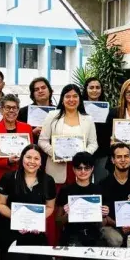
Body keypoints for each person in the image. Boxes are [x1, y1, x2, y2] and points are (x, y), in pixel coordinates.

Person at [38, 84, 98, 245]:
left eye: (75, 96)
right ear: (62, 99)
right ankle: (52, 244)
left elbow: (94, 144)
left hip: (79, 171)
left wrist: (82, 158)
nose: (71, 99)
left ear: (80, 98)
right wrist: (55, 153)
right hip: (56, 170)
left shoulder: (88, 119)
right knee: (55, 208)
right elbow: (42, 141)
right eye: (67, 96)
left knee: (76, 208)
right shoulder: (52, 116)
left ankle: (74, 242)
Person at [0, 144, 56, 260]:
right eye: (28, 157)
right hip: (13, 230)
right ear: (22, 158)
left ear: (41, 162)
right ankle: (3, 255)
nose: (32, 162)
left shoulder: (48, 180)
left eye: (36, 158)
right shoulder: (9, 177)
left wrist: (37, 220)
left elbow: (50, 207)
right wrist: (18, 219)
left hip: (35, 231)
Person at [55, 151, 113, 260]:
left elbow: (103, 223)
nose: (83, 171)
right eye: (79, 168)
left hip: (94, 234)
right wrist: (67, 215)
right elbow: (58, 221)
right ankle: (80, 259)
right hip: (73, 235)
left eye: (86, 168)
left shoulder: (99, 190)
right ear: (74, 169)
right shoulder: (66, 190)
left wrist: (104, 215)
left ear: (92, 169)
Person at [0, 94, 32, 190]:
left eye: (14, 108)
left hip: (21, 177)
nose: (11, 110)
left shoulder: (27, 128)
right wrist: (7, 161)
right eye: (7, 107)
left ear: (18, 110)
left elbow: (30, 152)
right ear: (1, 110)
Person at [82, 77, 111, 183]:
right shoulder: (79, 109)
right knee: (84, 182)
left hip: (102, 152)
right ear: (86, 89)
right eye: (91, 87)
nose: (94, 90)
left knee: (101, 182)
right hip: (84, 150)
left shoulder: (108, 108)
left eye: (98, 87)